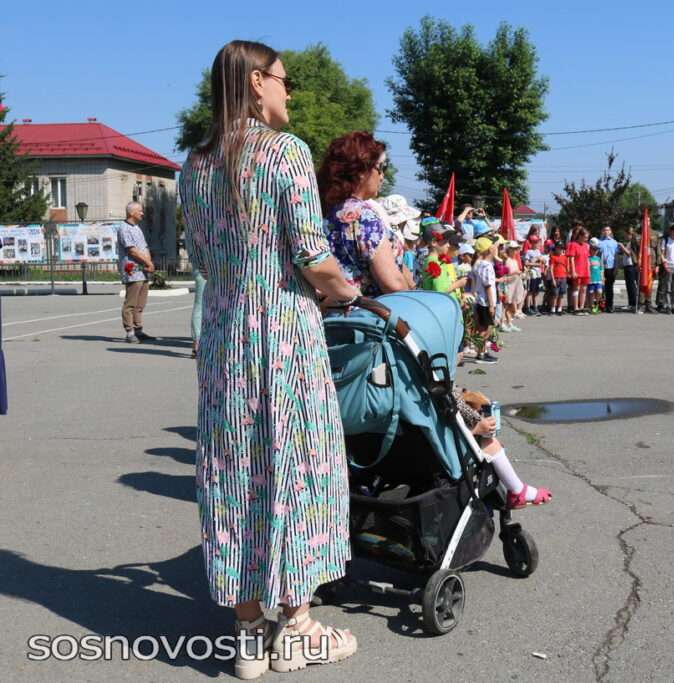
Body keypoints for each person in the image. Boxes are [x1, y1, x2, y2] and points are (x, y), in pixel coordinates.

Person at [179, 40, 361, 677]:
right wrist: (349, 292)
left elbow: (200, 259)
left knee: (235, 472)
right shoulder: (285, 153)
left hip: (225, 341)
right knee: (298, 468)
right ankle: (300, 626)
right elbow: (313, 257)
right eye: (284, 80)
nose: (290, 92)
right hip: (283, 335)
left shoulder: (196, 164)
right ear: (257, 83)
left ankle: (249, 631)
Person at [320, 132, 409, 297]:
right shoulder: (363, 216)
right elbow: (393, 284)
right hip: (369, 315)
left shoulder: (325, 210)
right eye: (380, 168)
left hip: (330, 314)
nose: (382, 177)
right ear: (361, 171)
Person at [455, 387, 551, 508]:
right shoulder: (442, 392)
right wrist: (475, 429)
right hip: (454, 447)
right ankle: (518, 491)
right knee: (490, 444)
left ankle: (515, 489)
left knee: (491, 442)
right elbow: (456, 404)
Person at [116, 201, 155, 344]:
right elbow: (132, 250)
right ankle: (130, 332)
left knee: (141, 303)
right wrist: (148, 263)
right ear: (132, 212)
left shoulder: (137, 228)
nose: (142, 213)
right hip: (132, 269)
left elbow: (144, 247)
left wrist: (149, 263)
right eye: (140, 211)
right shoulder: (124, 228)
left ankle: (139, 330)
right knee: (130, 303)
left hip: (143, 269)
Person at [470, 237, 500, 362]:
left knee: (483, 328)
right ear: (488, 250)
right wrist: (492, 305)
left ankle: (483, 351)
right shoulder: (487, 266)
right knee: (485, 329)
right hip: (486, 302)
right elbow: (488, 286)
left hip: (480, 300)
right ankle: (481, 353)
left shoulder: (479, 264)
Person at [566, 226, 591, 314]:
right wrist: (573, 271)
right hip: (577, 270)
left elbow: (587, 259)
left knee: (584, 289)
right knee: (576, 288)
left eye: (587, 237)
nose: (586, 239)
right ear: (580, 236)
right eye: (585, 237)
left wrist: (589, 271)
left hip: (585, 270)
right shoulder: (573, 244)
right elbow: (571, 259)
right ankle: (575, 307)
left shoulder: (585, 246)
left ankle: (581, 307)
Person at [596, 226, 620, 312]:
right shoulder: (599, 242)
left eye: (608, 230)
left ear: (611, 232)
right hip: (601, 268)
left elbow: (616, 256)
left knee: (609, 287)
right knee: (600, 287)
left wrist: (616, 268)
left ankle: (610, 305)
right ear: (602, 231)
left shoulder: (614, 242)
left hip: (611, 267)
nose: (606, 231)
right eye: (605, 230)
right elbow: (597, 254)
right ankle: (601, 305)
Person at [620, 226, 639, 310]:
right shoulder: (629, 242)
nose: (625, 236)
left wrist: (621, 246)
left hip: (631, 265)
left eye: (626, 234)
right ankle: (631, 303)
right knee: (628, 285)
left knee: (631, 285)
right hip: (627, 265)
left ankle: (633, 303)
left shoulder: (633, 242)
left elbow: (629, 253)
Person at [522, 241, 544, 315]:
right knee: (530, 291)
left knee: (537, 291)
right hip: (532, 274)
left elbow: (542, 262)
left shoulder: (538, 251)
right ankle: (527, 307)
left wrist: (538, 261)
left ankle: (535, 307)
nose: (538, 244)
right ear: (532, 243)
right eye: (536, 242)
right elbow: (526, 263)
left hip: (538, 274)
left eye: (538, 242)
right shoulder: (528, 252)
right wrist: (536, 263)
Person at [547, 241, 569, 315]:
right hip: (556, 278)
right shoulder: (553, 257)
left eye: (561, 248)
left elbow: (566, 267)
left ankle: (559, 308)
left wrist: (567, 275)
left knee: (561, 294)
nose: (560, 250)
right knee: (555, 294)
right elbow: (551, 269)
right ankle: (553, 308)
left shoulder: (564, 257)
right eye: (558, 248)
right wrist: (553, 279)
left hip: (563, 277)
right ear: (555, 248)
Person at [588, 238, 605, 313]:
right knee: (591, 293)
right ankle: (592, 307)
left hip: (598, 279)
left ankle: (596, 304)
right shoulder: (588, 258)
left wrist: (602, 278)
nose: (595, 251)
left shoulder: (598, 258)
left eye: (596, 250)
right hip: (591, 279)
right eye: (593, 249)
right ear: (590, 249)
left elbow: (601, 269)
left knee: (599, 291)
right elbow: (587, 268)